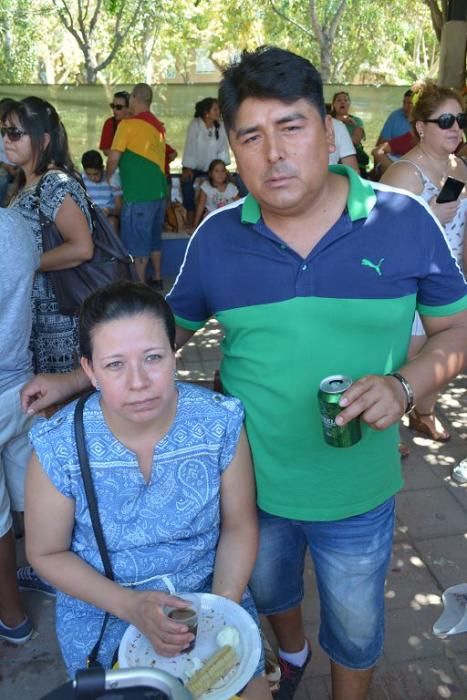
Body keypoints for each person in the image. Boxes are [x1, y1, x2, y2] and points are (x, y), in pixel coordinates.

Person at [19, 47, 467, 700]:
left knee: (358, 623)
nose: (272, 153)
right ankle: (289, 652)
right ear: (228, 144)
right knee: (272, 591)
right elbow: (161, 336)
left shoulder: (402, 223)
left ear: (326, 129)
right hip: (248, 491)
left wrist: (406, 385)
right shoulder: (219, 238)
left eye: (290, 126)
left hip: (357, 489)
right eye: (249, 136)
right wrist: (77, 379)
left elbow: (455, 330)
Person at [24, 281, 270, 700]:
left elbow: (239, 526)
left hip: (210, 595)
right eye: (115, 365)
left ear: (173, 355)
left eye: (153, 358)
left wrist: (216, 614)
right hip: (105, 611)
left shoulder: (219, 422)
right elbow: (46, 553)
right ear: (89, 371)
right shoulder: (59, 446)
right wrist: (129, 607)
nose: (138, 382)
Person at [381, 79, 467, 443]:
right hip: (410, 285)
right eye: (445, 121)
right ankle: (388, 428)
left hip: (449, 280)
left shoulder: (460, 166)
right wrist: (428, 216)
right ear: (420, 127)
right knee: (408, 359)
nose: (457, 128)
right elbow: (380, 244)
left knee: (444, 359)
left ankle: (424, 413)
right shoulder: (404, 174)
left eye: (461, 119)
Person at [2, 97, 93, 374]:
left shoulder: (54, 183)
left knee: (60, 405)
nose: (6, 140)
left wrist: (27, 263)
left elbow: (81, 248)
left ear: (43, 140)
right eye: (3, 132)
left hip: (60, 320)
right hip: (35, 320)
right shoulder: (25, 183)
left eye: (15, 133)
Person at [0, 209, 38, 645]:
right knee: (31, 495)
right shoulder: (14, 225)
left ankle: (12, 616)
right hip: (21, 382)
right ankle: (55, 575)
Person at [106, 83, 167, 290]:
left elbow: (113, 157)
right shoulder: (159, 126)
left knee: (137, 249)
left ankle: (140, 292)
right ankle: (157, 278)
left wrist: (107, 177)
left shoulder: (127, 125)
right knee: (153, 241)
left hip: (139, 195)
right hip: (159, 193)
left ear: (133, 98)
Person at [181, 98, 231, 225]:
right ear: (206, 113)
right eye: (215, 109)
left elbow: (222, 149)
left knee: (228, 182)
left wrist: (222, 168)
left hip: (212, 169)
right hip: (195, 168)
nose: (219, 111)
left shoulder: (220, 127)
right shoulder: (195, 124)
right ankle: (191, 216)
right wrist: (188, 167)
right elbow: (190, 147)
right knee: (187, 183)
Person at [81, 149, 122, 232]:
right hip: (90, 216)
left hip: (109, 216)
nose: (92, 178)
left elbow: (120, 208)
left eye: (96, 174)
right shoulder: (82, 180)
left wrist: (109, 211)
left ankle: (112, 245)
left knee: (112, 223)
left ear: (102, 168)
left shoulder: (111, 178)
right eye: (89, 174)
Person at [193, 159, 239, 229]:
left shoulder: (231, 187)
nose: (220, 174)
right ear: (210, 174)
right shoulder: (206, 187)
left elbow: (239, 204)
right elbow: (201, 206)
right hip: (211, 218)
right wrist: (195, 225)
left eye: (223, 171)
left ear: (226, 173)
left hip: (228, 218)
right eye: (216, 171)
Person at [331, 91, 369, 176]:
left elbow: (356, 140)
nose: (342, 102)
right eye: (339, 100)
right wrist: (340, 121)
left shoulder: (357, 121)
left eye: (346, 100)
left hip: (351, 157)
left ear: (349, 104)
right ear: (333, 104)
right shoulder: (328, 121)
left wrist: (355, 125)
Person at [99, 91, 130, 156]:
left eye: (119, 107)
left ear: (128, 108)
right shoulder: (110, 123)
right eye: (113, 106)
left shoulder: (138, 123)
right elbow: (106, 150)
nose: (114, 110)